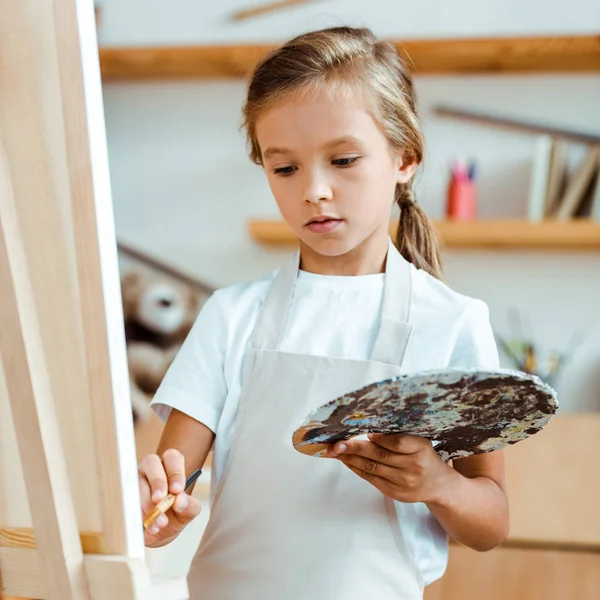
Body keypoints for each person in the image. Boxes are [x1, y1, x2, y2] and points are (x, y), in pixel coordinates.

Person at [138, 26, 509, 600]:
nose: (314, 190)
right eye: (284, 168)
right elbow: (166, 490)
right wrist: (157, 513)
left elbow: (491, 523)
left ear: (404, 157)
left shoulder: (453, 322)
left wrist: (439, 485)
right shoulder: (231, 315)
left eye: (342, 160)